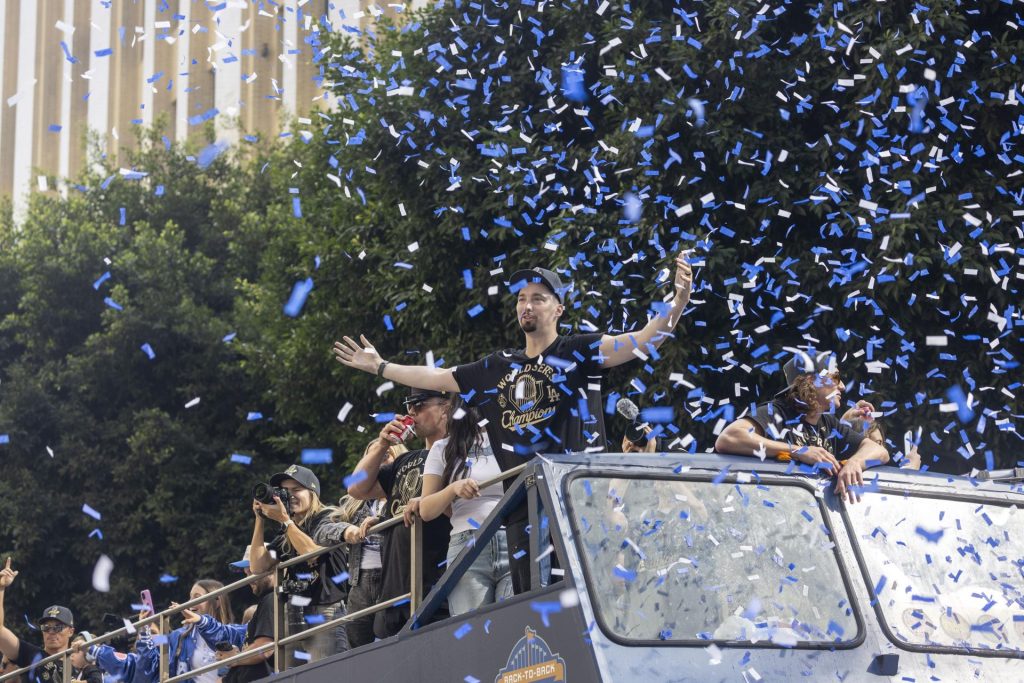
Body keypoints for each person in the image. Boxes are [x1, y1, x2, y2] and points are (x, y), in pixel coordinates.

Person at [334, 251, 694, 591]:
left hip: (578, 501)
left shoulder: (577, 350)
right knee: (538, 608)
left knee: (586, 597)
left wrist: (677, 303)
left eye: (538, 297)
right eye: (522, 298)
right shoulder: (497, 367)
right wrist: (380, 366)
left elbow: (642, 342)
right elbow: (434, 378)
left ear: (558, 309)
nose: (527, 304)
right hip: (524, 511)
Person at [714, 350, 890, 502]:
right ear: (811, 380)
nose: (842, 386)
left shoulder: (827, 422)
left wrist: (855, 463)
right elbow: (729, 438)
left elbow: (879, 451)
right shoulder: (777, 411)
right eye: (835, 377)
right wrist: (800, 451)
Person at [347, 390, 453, 638]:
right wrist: (382, 443)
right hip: (393, 591)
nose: (411, 413)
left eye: (419, 405)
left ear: (446, 408)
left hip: (438, 585)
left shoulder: (460, 452)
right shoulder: (405, 460)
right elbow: (355, 487)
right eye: (409, 406)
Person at [247, 464, 363, 664]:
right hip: (295, 613)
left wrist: (285, 521)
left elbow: (311, 553)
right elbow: (258, 566)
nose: (290, 496)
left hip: (326, 610)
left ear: (313, 493)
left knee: (327, 675)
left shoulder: (327, 518)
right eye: (285, 492)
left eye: (297, 490)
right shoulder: (287, 531)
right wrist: (260, 519)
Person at [409, 397, 512, 615]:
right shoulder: (442, 448)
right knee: (472, 634)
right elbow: (426, 510)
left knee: (513, 629)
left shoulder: (508, 440)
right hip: (468, 544)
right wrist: (453, 489)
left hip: (511, 537)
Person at [204, 547, 275, 683]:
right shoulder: (266, 601)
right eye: (246, 573)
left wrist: (233, 658)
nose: (249, 580)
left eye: (252, 572)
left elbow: (265, 648)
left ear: (271, 569)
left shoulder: (271, 599)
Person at [0, 558, 77, 683]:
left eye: (57, 627)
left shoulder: (80, 667)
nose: (51, 631)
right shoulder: (34, 655)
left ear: (70, 631)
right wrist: (0, 588)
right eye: (46, 627)